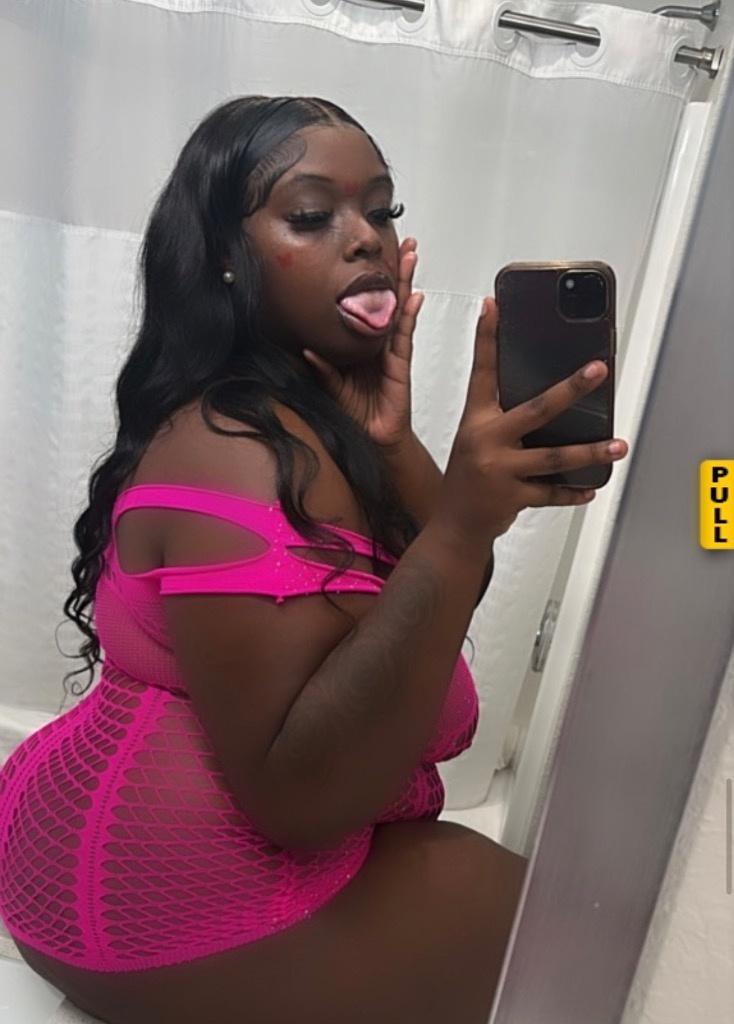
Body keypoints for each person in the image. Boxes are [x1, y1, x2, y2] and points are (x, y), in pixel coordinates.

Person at [0, 95, 628, 1024]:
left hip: (117, 885)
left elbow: (430, 598)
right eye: (310, 215)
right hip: (155, 918)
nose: (366, 237)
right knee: (589, 950)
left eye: (381, 209)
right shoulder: (237, 455)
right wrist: (461, 528)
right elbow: (298, 803)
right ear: (225, 254)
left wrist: (397, 448)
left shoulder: (297, 419)